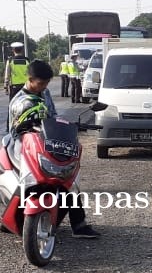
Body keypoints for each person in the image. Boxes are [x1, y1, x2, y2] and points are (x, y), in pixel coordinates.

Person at [7, 60, 99, 239]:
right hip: (25, 144)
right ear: (30, 79)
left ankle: (79, 225)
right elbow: (16, 129)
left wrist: (65, 126)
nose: (44, 86)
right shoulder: (20, 100)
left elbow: (52, 116)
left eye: (46, 83)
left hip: (46, 141)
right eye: (41, 83)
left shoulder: (45, 92)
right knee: (31, 181)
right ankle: (20, 216)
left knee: (67, 179)